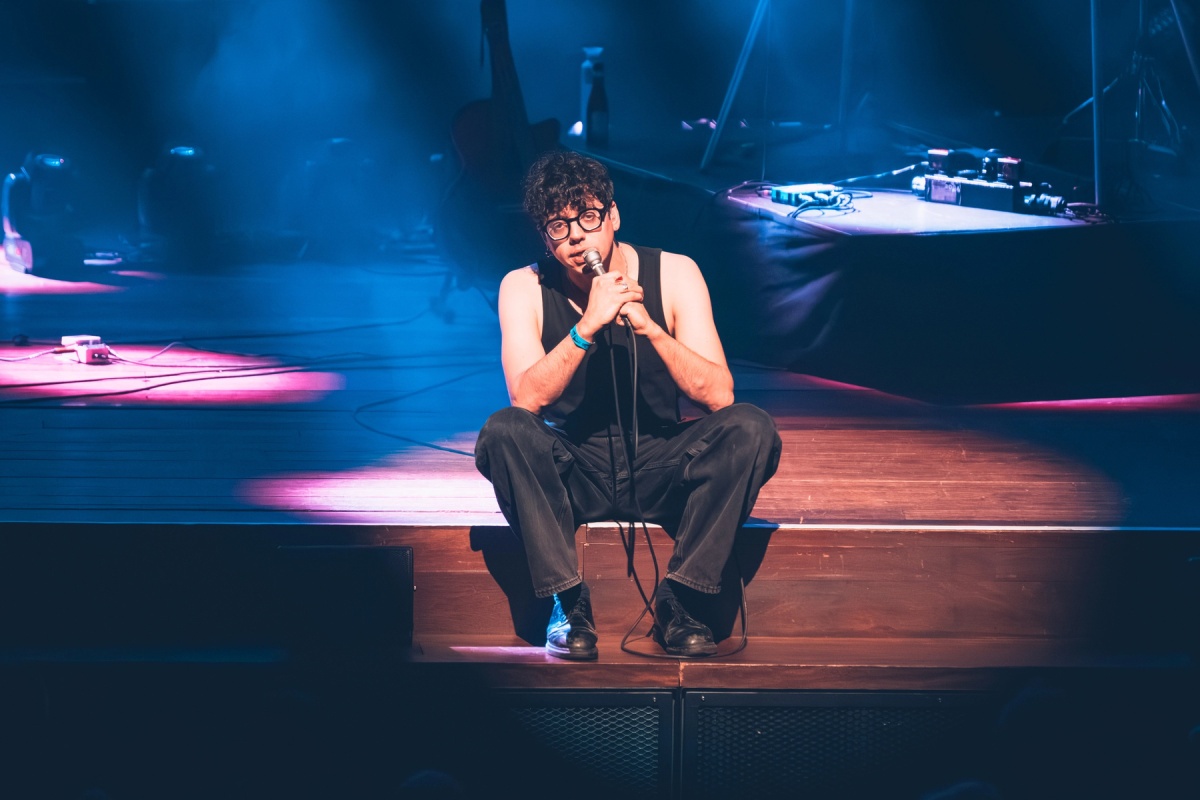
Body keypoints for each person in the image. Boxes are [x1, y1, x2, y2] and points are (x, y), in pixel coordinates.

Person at [474, 150, 781, 660]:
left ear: (613, 216)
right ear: (545, 239)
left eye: (588, 218)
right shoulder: (522, 286)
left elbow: (718, 396)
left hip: (661, 460)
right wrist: (587, 325)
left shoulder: (675, 272)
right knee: (504, 430)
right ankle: (567, 602)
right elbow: (526, 399)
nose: (577, 237)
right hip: (576, 466)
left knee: (751, 427)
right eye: (559, 227)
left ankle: (681, 599)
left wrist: (651, 329)